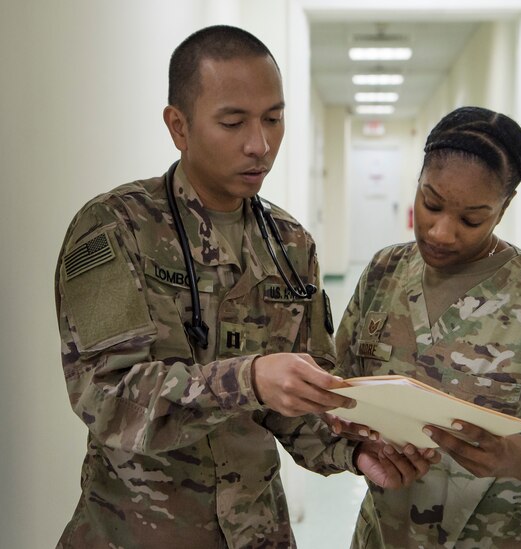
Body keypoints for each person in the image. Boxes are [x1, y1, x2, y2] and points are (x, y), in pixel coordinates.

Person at [54, 25, 434, 549]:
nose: (260, 145)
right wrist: (248, 379)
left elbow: (302, 400)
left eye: (274, 119)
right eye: (233, 122)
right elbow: (109, 397)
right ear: (178, 126)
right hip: (138, 531)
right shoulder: (115, 230)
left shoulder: (290, 245)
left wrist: (355, 452)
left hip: (257, 530)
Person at [334, 106, 521, 548]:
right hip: (387, 535)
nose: (442, 232)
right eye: (430, 203)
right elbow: (341, 394)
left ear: (503, 208)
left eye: (471, 219)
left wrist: (517, 460)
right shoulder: (384, 273)